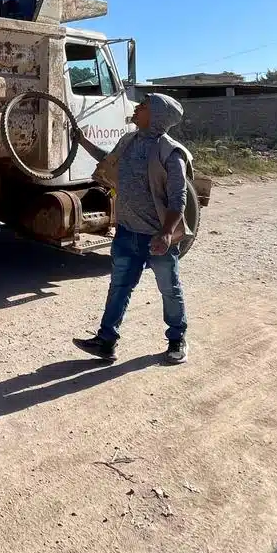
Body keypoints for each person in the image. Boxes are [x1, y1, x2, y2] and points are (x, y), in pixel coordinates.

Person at [72, 93, 192, 365]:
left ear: (158, 116)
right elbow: (109, 161)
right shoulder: (129, 141)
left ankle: (177, 339)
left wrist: (165, 233)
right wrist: (82, 142)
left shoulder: (171, 153)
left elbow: (178, 199)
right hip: (126, 232)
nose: (137, 108)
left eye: (145, 106)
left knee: (169, 289)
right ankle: (106, 341)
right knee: (119, 287)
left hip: (157, 237)